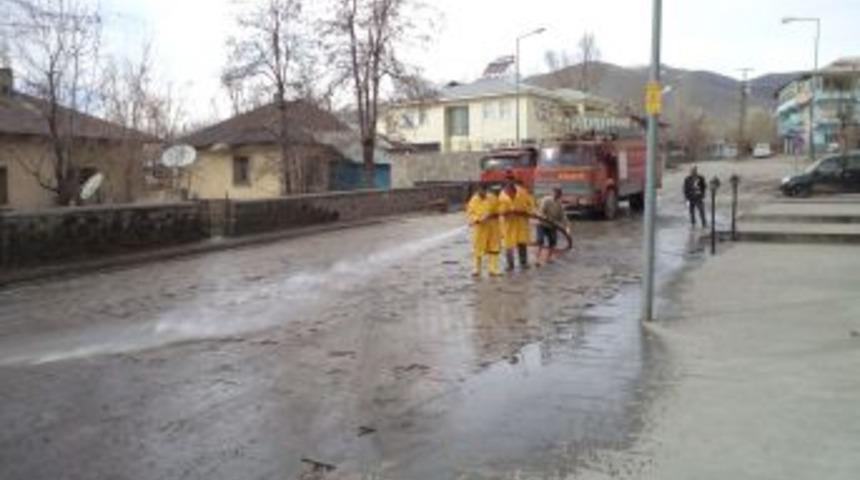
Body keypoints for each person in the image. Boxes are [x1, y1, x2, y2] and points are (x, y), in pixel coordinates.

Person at [498, 177, 536, 271]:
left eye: (511, 182)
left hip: (521, 222)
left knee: (522, 243)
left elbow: (531, 205)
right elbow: (499, 209)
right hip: (509, 224)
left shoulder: (523, 192)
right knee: (508, 246)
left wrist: (526, 212)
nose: (509, 184)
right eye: (507, 182)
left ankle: (523, 263)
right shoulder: (502, 196)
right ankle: (510, 265)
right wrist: (505, 212)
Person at [466, 183, 502, 277]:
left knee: (494, 247)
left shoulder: (492, 198)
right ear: (478, 190)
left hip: (493, 227)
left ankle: (493, 269)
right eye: (480, 191)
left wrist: (492, 215)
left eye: (484, 191)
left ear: (486, 190)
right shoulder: (473, 200)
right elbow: (470, 213)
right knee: (478, 247)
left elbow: (499, 210)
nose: (482, 193)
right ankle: (476, 269)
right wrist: (477, 219)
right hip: (480, 228)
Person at [535, 187, 572, 266]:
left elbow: (563, 217)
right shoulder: (546, 200)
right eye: (555, 193)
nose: (556, 195)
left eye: (558, 194)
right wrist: (546, 218)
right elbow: (541, 212)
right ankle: (537, 260)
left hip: (552, 226)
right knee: (540, 241)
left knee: (553, 242)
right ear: (552, 193)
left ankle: (548, 258)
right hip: (542, 224)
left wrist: (567, 227)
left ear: (560, 195)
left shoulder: (559, 204)